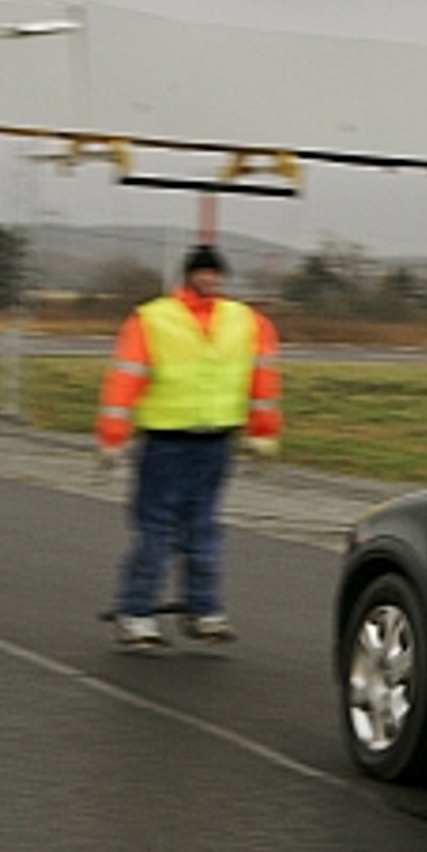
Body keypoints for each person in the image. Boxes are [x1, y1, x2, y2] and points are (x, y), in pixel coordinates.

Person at [97, 243, 283, 647]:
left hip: (215, 442)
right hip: (165, 442)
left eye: (215, 273)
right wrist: (113, 436)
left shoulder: (246, 322)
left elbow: (263, 381)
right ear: (188, 276)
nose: (209, 279)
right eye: (203, 272)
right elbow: (124, 379)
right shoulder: (153, 319)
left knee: (204, 529)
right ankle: (137, 613)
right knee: (157, 530)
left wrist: (263, 432)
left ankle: (204, 610)